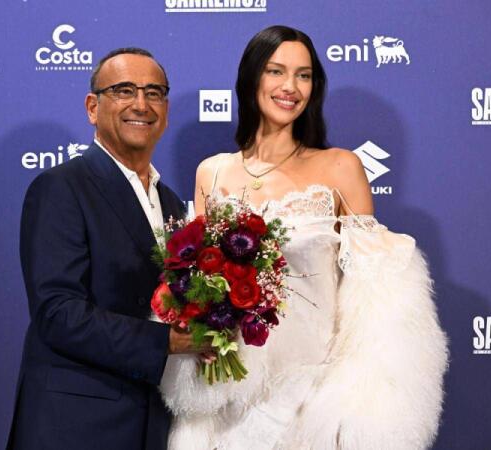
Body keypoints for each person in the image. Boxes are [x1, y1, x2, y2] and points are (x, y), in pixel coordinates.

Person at [159, 26, 448, 450]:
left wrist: (357, 402)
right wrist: (199, 331)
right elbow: (198, 287)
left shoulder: (340, 167)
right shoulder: (213, 172)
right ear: (252, 78)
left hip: (313, 398)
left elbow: (374, 299)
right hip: (232, 399)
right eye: (276, 71)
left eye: (304, 75)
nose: (290, 87)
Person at [6, 48, 210, 450]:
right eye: (124, 90)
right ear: (92, 107)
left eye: (154, 93)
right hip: (76, 426)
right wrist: (166, 341)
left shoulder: (171, 204)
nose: (141, 104)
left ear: (166, 110)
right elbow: (58, 313)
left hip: (151, 423)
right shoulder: (61, 188)